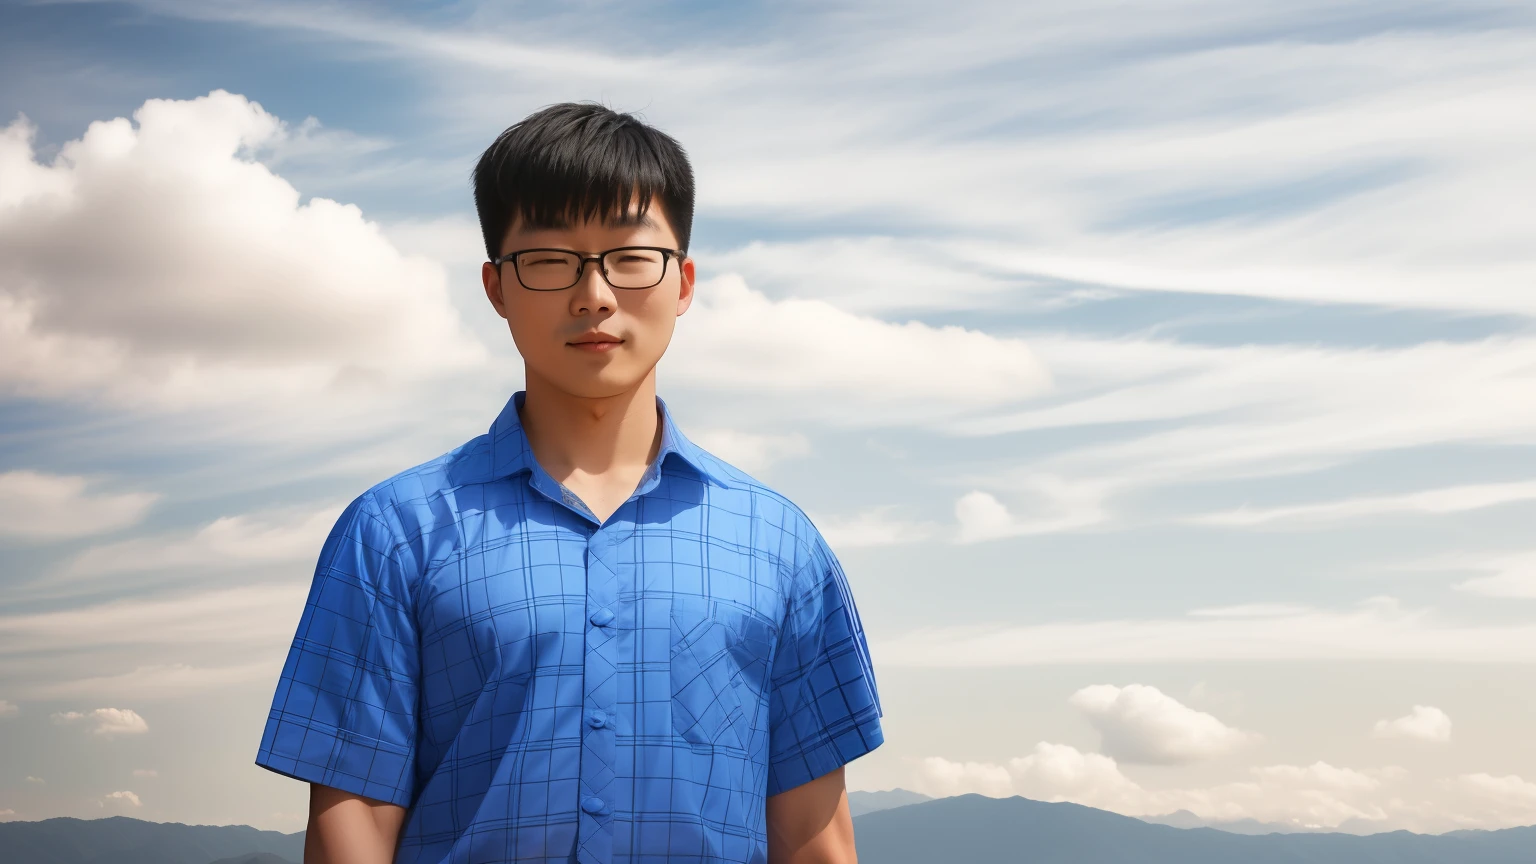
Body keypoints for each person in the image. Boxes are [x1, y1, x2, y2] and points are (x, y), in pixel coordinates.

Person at [254, 102, 885, 864]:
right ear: (495, 287)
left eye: (629, 257)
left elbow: (815, 836)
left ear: (683, 281)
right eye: (551, 259)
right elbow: (352, 821)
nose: (595, 295)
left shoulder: (780, 543)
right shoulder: (395, 532)